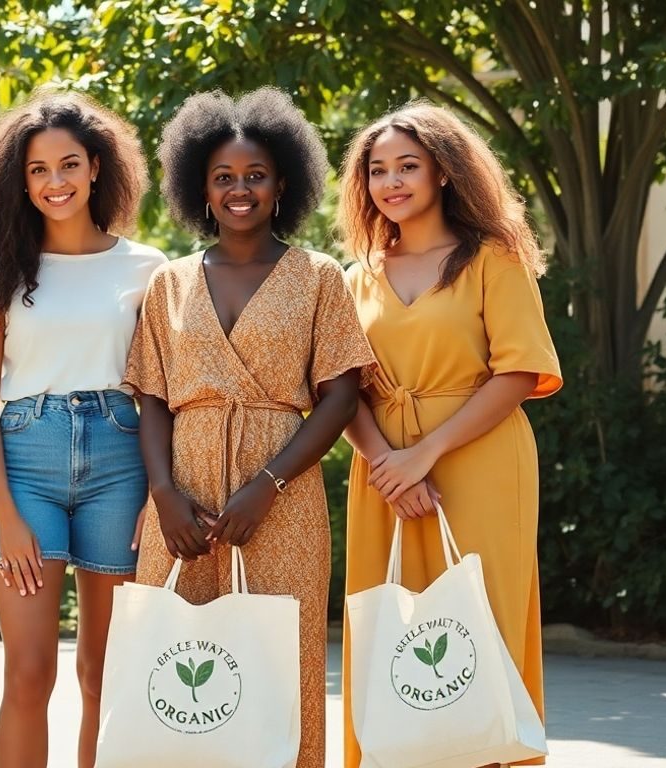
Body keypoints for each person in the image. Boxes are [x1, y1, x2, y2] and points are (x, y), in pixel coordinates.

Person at [124, 88, 376, 768]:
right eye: (224, 177)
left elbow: (341, 396)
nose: (240, 189)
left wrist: (267, 484)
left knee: (280, 665)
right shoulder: (169, 283)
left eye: (255, 176)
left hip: (284, 496)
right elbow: (150, 397)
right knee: (178, 666)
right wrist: (163, 495)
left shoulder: (320, 278)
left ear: (282, 183)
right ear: (199, 187)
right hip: (184, 492)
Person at [337, 101, 561, 768]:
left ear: (444, 173)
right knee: (395, 643)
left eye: (409, 165)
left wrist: (424, 455)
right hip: (383, 475)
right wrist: (387, 466)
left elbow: (520, 372)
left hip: (481, 464)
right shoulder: (357, 275)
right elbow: (340, 389)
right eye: (378, 170)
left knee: (479, 636)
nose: (392, 181)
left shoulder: (493, 257)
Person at [0, 92, 164, 768]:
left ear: (97, 167)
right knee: (29, 675)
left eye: (69, 165)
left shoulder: (148, 269)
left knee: (104, 674)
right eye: (38, 170)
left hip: (122, 462)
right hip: (26, 467)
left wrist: (154, 494)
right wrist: (6, 512)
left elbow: (158, 392)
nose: (55, 183)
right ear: (18, 181)